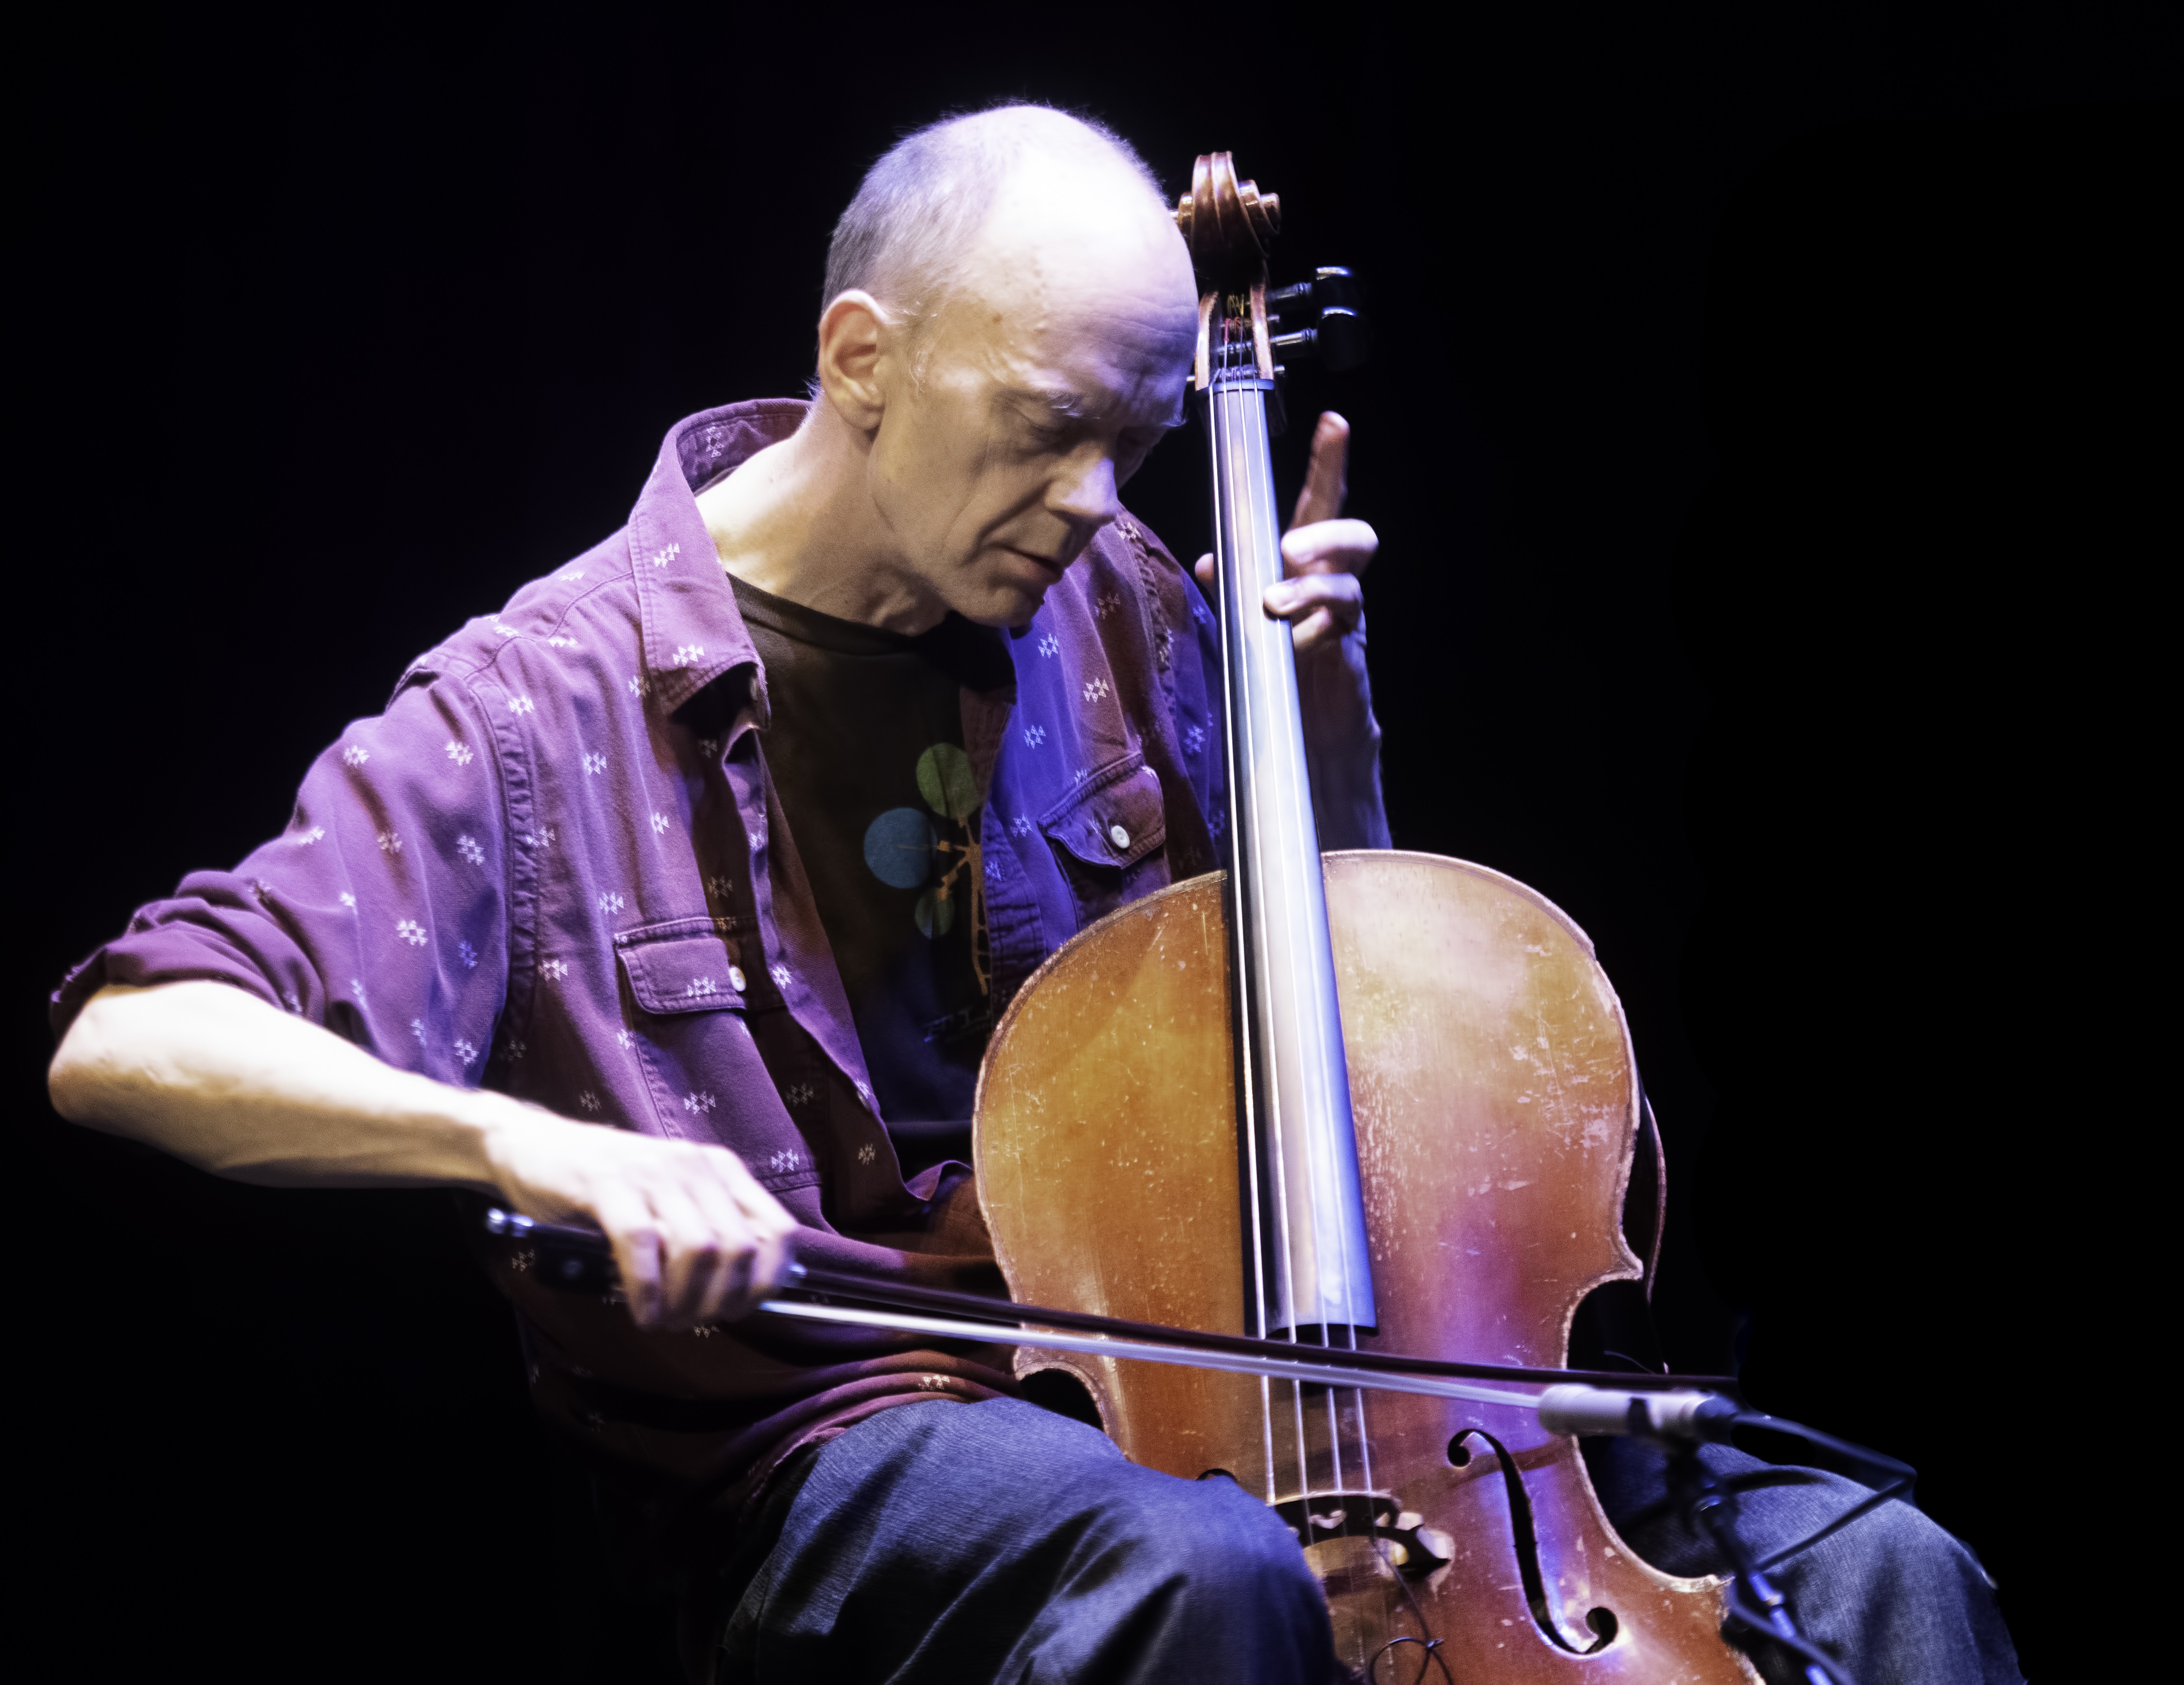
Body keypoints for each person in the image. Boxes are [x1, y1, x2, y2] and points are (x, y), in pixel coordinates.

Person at [48, 105, 2016, 1685]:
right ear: (861, 359)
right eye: (1049, 431)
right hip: (849, 1441)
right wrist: (538, 1149)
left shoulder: (1114, 597)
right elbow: (134, 1039)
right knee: (1206, 1572)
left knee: (1881, 1568)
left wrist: (1316, 725)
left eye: (1135, 446)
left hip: (1217, 1380)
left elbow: (1332, 1016)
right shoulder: (535, 706)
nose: (1094, 504)